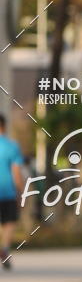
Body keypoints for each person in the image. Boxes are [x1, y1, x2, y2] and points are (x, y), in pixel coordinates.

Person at [0, 113, 24, 270]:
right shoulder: (12, 146)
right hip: (8, 191)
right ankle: (5, 248)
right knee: (9, 223)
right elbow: (16, 173)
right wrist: (21, 192)